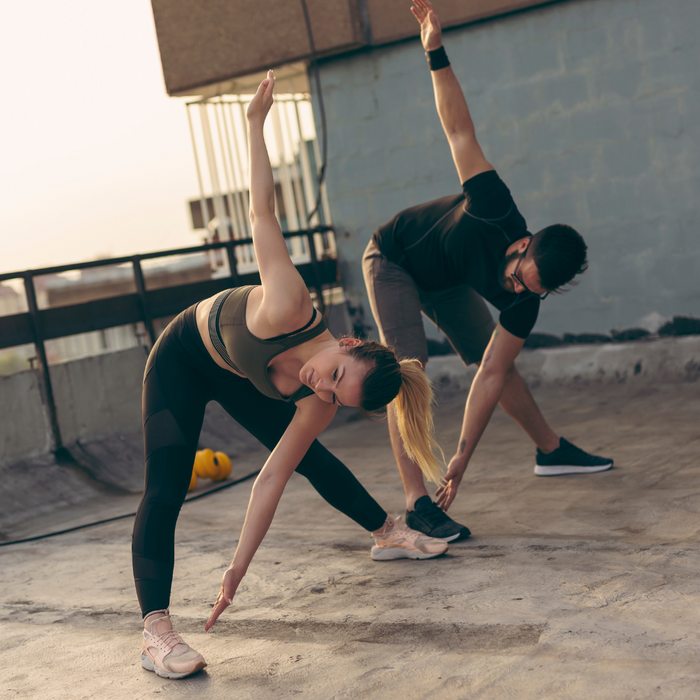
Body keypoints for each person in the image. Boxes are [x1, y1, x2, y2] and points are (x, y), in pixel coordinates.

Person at [132, 70, 448, 680]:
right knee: (165, 489)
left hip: (233, 374)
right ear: (347, 342)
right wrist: (254, 124)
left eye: (333, 394)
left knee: (313, 459)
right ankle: (155, 631)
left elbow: (269, 481)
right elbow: (262, 209)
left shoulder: (319, 396)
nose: (318, 385)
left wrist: (235, 572)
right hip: (182, 357)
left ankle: (386, 532)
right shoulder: (289, 305)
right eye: (332, 374)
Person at [362, 0, 613, 542]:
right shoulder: (495, 206)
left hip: (447, 280)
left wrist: (461, 458)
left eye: (531, 291)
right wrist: (434, 50)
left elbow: (491, 373)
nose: (517, 289)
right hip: (395, 258)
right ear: (520, 245)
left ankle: (551, 451)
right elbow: (458, 129)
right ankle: (415, 503)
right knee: (406, 371)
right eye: (520, 277)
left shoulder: (527, 299)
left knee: (494, 358)